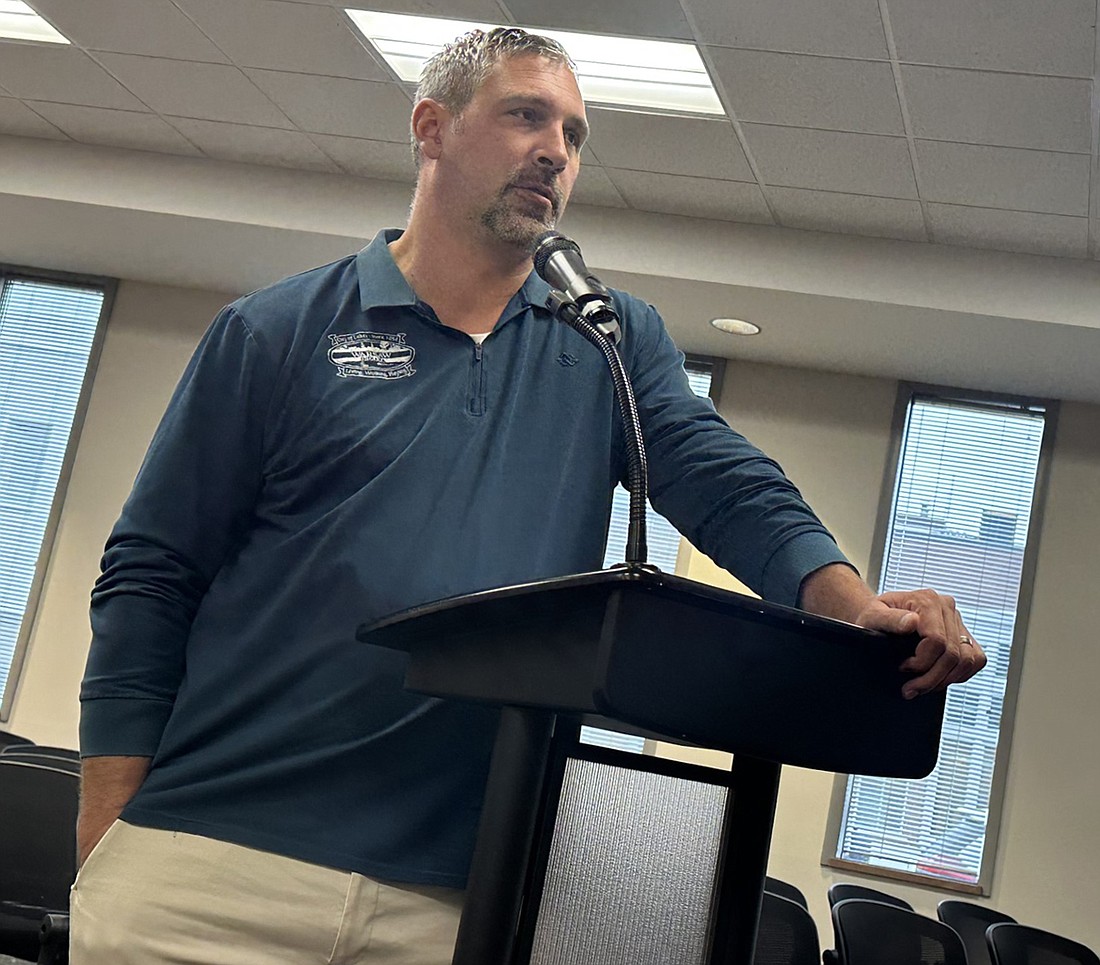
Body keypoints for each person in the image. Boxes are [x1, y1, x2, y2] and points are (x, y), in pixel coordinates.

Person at [71, 26, 985, 965]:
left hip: (455, 897)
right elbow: (151, 572)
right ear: (431, 128)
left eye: (576, 136)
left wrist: (851, 606)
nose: (556, 149)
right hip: (214, 864)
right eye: (525, 116)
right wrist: (111, 832)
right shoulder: (279, 331)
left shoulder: (606, 342)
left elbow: (729, 484)